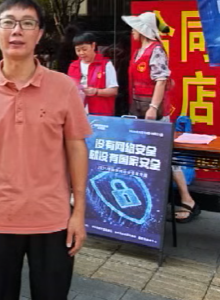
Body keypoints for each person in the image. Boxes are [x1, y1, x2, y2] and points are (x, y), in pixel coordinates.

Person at [0, 0, 92, 300]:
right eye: (8, 22)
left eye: (27, 23)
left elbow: (77, 148)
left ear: (40, 33)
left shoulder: (64, 87)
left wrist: (78, 213)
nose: (17, 30)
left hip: (53, 220)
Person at [122, 11, 200, 223]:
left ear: (142, 30)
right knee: (145, 156)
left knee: (167, 155)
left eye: (135, 27)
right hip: (138, 109)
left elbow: (161, 80)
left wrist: (153, 107)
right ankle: (150, 201)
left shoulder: (155, 50)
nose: (132, 31)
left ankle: (188, 200)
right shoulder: (139, 51)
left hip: (152, 111)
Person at [67, 32, 119, 116]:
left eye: (84, 49)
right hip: (78, 112)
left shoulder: (105, 64)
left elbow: (113, 91)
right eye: (78, 50)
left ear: (93, 46)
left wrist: (96, 92)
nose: (81, 53)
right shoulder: (73, 66)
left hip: (100, 113)